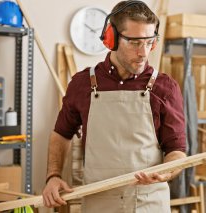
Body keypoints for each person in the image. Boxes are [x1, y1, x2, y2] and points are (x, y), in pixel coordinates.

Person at [42, 1, 187, 212]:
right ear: (111, 39)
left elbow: (177, 150)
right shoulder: (83, 84)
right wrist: (53, 176)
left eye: (149, 42)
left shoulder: (165, 87)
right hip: (98, 203)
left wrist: (168, 171)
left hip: (149, 204)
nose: (143, 52)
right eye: (135, 42)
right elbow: (61, 134)